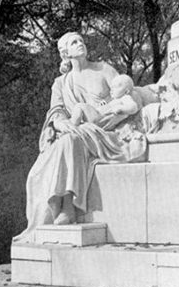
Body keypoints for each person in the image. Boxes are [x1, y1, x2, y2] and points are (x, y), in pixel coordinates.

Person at [14, 32, 146, 242]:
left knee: (70, 139)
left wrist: (117, 111)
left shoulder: (103, 69)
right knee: (39, 171)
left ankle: (68, 206)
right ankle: (63, 206)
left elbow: (128, 92)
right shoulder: (61, 83)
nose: (80, 45)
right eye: (74, 43)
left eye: (81, 41)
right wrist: (59, 123)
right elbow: (55, 112)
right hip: (75, 131)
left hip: (106, 131)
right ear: (65, 53)